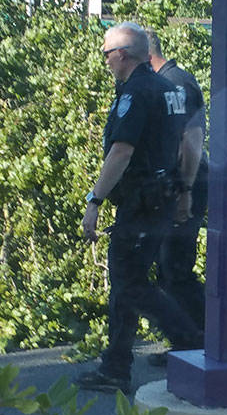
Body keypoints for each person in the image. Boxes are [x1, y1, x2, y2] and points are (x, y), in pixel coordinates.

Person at [77, 23, 203, 394]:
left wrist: (94, 201)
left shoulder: (138, 92)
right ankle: (116, 365)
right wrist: (185, 192)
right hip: (161, 197)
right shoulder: (169, 90)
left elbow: (122, 151)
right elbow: (188, 143)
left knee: (131, 284)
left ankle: (187, 338)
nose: (105, 61)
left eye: (106, 54)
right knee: (126, 284)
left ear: (122, 55)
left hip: (141, 202)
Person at [145, 28, 208, 367]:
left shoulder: (178, 83)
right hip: (177, 185)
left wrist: (185, 188)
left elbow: (192, 140)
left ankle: (200, 344)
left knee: (176, 267)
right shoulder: (166, 82)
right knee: (167, 266)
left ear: (146, 55)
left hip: (189, 184)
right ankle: (190, 343)